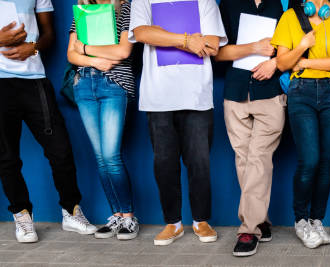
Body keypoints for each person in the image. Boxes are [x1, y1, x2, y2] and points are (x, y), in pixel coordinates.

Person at [129, 0, 227, 246]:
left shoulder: (204, 1)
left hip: (197, 96)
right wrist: (187, 40)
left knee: (200, 163)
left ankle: (201, 220)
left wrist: (161, 36)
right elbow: (142, 32)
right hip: (158, 97)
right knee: (164, 163)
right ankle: (172, 223)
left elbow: (213, 45)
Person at [0, 0, 97, 243]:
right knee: (6, 157)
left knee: (60, 150)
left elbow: (49, 34)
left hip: (34, 80)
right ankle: (22, 215)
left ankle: (71, 211)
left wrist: (31, 48)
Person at [271, 0, 330, 249]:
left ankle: (317, 220)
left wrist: (305, 63)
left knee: (326, 162)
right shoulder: (290, 18)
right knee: (309, 160)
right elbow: (283, 63)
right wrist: (303, 47)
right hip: (301, 92)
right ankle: (300, 221)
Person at [216, 0, 285, 257]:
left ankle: (248, 229)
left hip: (271, 94)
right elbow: (217, 53)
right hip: (235, 93)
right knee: (244, 160)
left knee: (258, 158)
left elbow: (300, 49)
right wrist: (253, 48)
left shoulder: (285, 4)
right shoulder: (229, 4)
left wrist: (275, 63)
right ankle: (261, 220)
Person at [67, 0, 138, 240]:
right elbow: (70, 54)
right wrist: (95, 59)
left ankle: (128, 218)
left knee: (111, 156)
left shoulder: (127, 6)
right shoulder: (82, 9)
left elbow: (123, 51)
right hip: (84, 83)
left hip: (113, 84)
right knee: (100, 157)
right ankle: (116, 215)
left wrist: (85, 49)